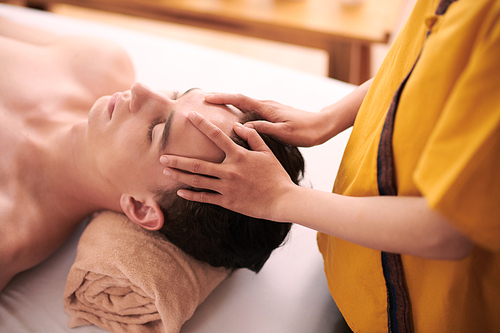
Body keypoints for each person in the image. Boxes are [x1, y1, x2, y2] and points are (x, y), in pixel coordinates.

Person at [159, 0, 500, 331]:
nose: (140, 90)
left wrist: (280, 198)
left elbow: (447, 230)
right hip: (356, 274)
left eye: (155, 132)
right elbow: (425, 63)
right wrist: (329, 118)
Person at [0, 18, 304, 292]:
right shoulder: (99, 63)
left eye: (156, 130)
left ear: (141, 208)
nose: (141, 90)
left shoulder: (9, 227)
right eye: (176, 96)